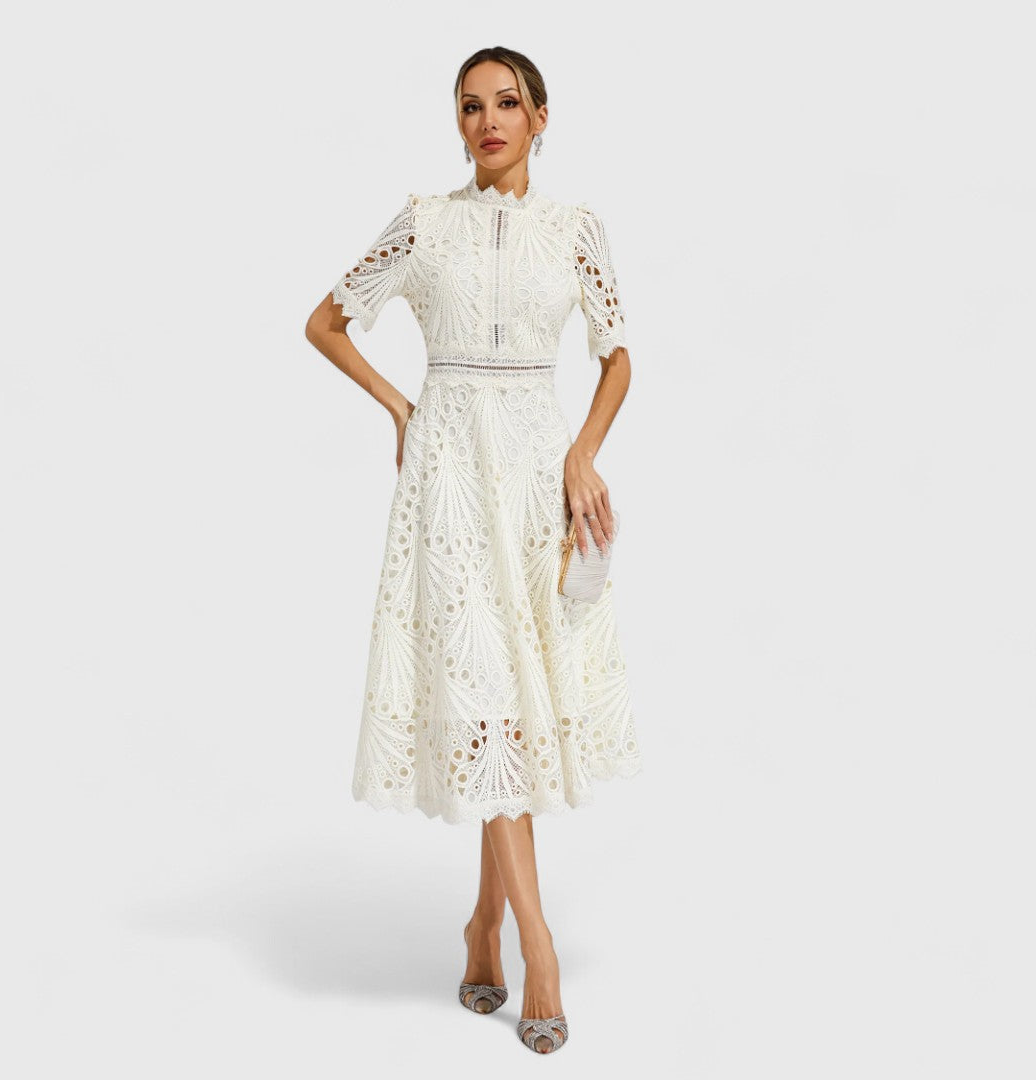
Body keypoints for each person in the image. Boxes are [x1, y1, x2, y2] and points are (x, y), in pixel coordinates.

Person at [304, 46, 642, 1055]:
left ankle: (482, 924)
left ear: (540, 117)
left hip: (537, 479)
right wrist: (399, 406)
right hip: (448, 479)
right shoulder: (425, 222)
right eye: (469, 106)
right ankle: (538, 948)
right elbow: (326, 322)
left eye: (506, 102)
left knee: (518, 713)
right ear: (458, 126)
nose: (487, 120)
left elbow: (618, 356)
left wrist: (583, 454)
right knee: (486, 699)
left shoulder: (576, 228)